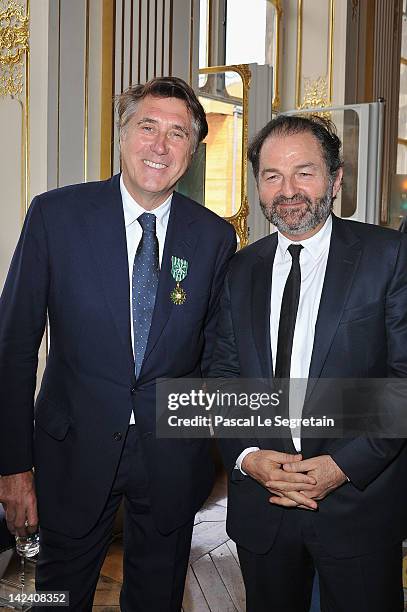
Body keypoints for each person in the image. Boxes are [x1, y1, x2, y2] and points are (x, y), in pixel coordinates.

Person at [0, 76, 236, 611]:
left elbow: (217, 353)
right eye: (147, 127)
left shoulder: (215, 237)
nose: (160, 145)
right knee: (56, 596)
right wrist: (12, 467)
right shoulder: (54, 217)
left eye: (178, 134)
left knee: (158, 598)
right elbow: (12, 347)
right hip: (70, 449)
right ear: (122, 134)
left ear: (193, 152)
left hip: (172, 458)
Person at [210, 114, 407, 611]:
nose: (288, 189)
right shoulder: (239, 270)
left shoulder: (390, 256)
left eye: (304, 172)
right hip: (264, 509)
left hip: (359, 503)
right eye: (272, 175)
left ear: (336, 180)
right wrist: (249, 457)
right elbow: (223, 377)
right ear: (257, 186)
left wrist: (342, 466)